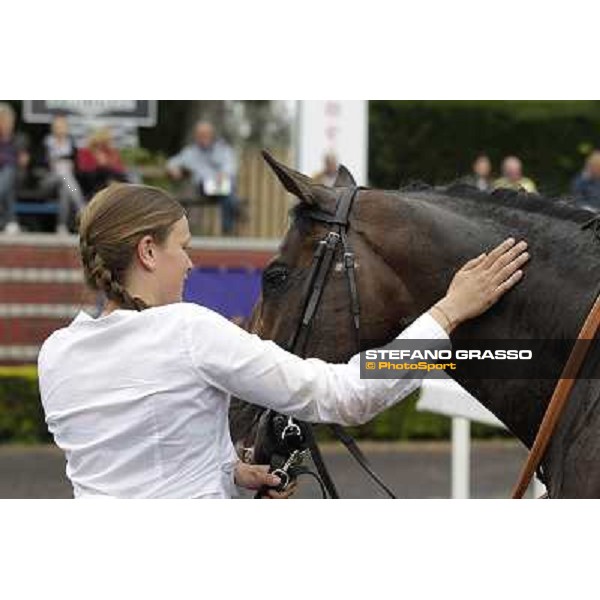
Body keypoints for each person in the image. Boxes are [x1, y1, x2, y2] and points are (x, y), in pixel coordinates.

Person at [37, 183, 529, 499]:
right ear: (147, 251)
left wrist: (230, 474)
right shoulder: (187, 329)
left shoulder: (55, 353)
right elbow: (346, 395)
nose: (190, 265)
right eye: (182, 248)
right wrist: (448, 313)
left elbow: (139, 465)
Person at [166, 121, 239, 235]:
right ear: (196, 136)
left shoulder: (222, 149)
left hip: (221, 185)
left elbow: (230, 165)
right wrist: (173, 168)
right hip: (202, 188)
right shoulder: (191, 152)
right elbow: (172, 162)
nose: (203, 138)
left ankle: (227, 231)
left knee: (228, 194)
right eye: (200, 135)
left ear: (212, 135)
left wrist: (224, 173)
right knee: (229, 195)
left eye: (205, 134)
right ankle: (227, 231)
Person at [41, 115, 86, 235]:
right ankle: (82, 209)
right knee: (63, 173)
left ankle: (61, 225)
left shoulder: (71, 143)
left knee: (65, 188)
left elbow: (77, 166)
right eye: (57, 126)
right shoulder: (47, 142)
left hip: (67, 180)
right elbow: (40, 164)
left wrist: (69, 164)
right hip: (49, 180)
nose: (60, 129)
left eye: (62, 126)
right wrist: (52, 163)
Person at [0, 102, 29, 234]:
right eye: (3, 120)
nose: (6, 123)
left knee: (9, 169)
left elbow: (22, 161)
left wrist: (23, 159)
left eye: (8, 120)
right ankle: (11, 221)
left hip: (16, 175)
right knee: (7, 188)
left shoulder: (20, 138)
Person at [76, 128, 127, 198]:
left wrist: (108, 162)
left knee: (110, 172)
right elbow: (83, 169)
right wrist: (98, 164)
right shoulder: (85, 152)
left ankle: (123, 190)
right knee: (104, 170)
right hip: (91, 180)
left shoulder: (111, 152)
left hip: (109, 179)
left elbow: (120, 169)